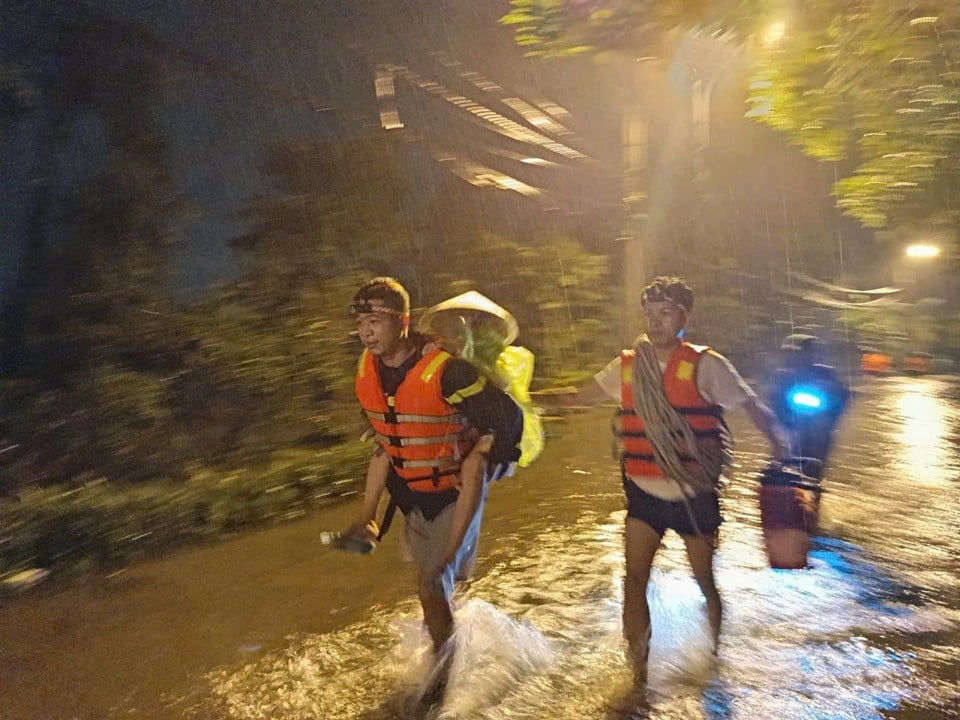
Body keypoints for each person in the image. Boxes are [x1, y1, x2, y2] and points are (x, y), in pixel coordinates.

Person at [538, 275, 788, 683]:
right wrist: (528, 398)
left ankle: (713, 657)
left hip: (694, 492)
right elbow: (578, 398)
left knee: (705, 581)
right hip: (644, 493)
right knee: (633, 580)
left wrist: (777, 437)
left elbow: (751, 404)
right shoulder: (626, 366)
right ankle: (637, 676)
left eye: (665, 313)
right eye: (650, 314)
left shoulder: (707, 365)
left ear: (684, 317)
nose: (655, 322)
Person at [340, 277, 523, 675]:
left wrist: (481, 451)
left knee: (432, 583)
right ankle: (462, 657)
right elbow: (385, 446)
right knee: (434, 596)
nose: (366, 331)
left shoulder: (448, 372)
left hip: (457, 492)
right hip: (415, 497)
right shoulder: (368, 371)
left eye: (375, 320)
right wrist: (369, 515)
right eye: (360, 322)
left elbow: (508, 418)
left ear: (402, 321)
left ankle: (444, 687)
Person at [767, 335, 850, 477]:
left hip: (819, 433)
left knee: (814, 469)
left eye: (800, 353)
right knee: (779, 465)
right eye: (789, 353)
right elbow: (772, 401)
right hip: (789, 429)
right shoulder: (781, 375)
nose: (793, 357)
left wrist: (831, 412)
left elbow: (843, 397)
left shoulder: (826, 373)